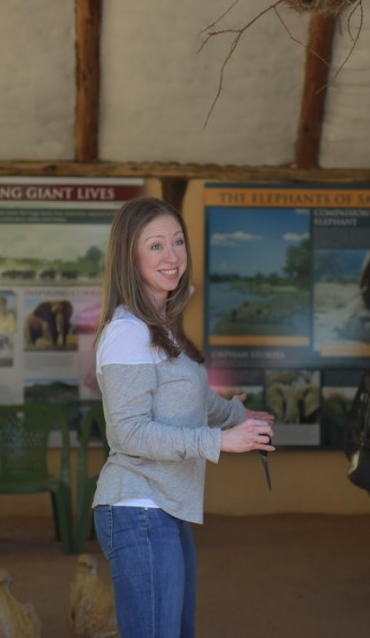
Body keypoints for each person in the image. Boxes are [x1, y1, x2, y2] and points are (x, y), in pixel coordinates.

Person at [91, 196, 275, 638]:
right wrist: (217, 442)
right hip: (138, 507)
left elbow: (192, 398)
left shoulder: (162, 326)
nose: (172, 256)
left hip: (165, 506)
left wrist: (238, 416)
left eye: (177, 241)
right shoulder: (127, 334)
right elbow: (129, 431)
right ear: (128, 256)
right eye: (155, 245)